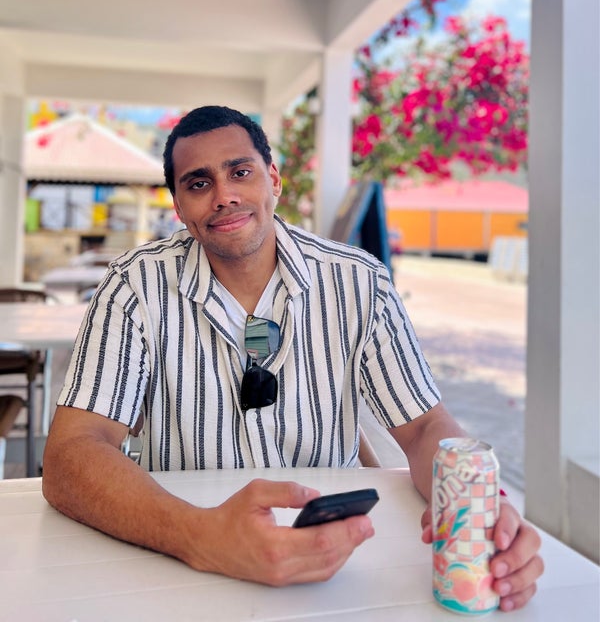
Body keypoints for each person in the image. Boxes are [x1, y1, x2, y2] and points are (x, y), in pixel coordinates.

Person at [42, 106, 543, 607]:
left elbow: (424, 428)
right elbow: (71, 453)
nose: (224, 196)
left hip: (340, 564)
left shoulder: (358, 282)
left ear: (274, 179)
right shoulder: (135, 285)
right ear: (178, 206)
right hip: (175, 564)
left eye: (241, 172)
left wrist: (480, 505)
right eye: (199, 184)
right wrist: (199, 537)